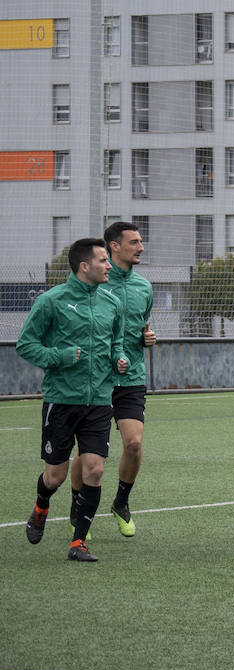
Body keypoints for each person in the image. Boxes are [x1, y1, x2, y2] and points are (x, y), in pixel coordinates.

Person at [19, 237, 128, 561]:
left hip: (99, 399)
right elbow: (26, 345)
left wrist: (118, 358)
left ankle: (78, 542)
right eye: (103, 261)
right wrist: (60, 356)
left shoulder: (111, 302)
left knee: (94, 470)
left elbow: (116, 341)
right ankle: (41, 505)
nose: (109, 266)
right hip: (62, 400)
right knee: (56, 476)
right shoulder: (51, 301)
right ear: (84, 266)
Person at [68, 222, 155, 539]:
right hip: (97, 379)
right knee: (88, 453)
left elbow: (143, 326)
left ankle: (121, 502)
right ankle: (79, 509)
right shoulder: (95, 284)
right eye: (134, 241)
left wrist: (147, 337)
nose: (141, 247)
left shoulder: (144, 288)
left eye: (141, 241)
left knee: (133, 444)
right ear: (114, 246)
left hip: (131, 375)